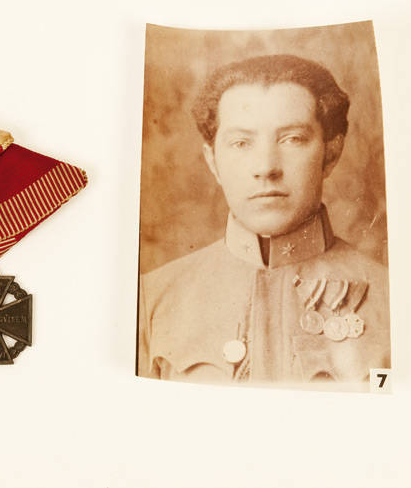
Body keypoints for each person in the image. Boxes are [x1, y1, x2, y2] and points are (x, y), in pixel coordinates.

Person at [137, 55, 390, 386]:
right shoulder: (150, 299)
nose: (266, 167)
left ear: (331, 153)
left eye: (292, 139)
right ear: (213, 160)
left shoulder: (393, 297)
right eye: (241, 143)